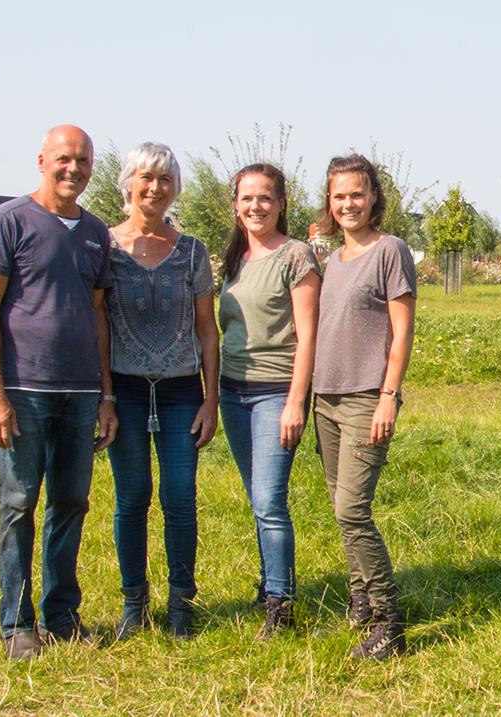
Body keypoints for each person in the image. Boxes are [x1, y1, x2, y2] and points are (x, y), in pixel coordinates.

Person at [0, 125, 118, 661]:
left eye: (82, 160)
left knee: (71, 503)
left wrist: (105, 396)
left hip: (80, 393)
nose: (73, 168)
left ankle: (61, 615)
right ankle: (16, 624)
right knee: (17, 503)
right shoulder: (7, 221)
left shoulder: (96, 233)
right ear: (41, 161)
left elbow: (99, 314)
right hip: (22, 391)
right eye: (63, 158)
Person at [103, 142, 219, 640]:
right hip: (124, 394)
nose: (155, 188)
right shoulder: (102, 246)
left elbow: (207, 329)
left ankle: (181, 605)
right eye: (146, 178)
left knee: (180, 498)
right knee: (131, 498)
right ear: (128, 182)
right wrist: (104, 397)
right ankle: (134, 603)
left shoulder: (192, 251)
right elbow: (96, 324)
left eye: (165, 180)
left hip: (180, 396)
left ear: (175, 188)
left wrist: (210, 399)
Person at [312, 154, 416, 660]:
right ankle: (361, 599)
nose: (348, 203)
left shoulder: (390, 251)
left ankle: (390, 622)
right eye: (339, 196)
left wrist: (388, 397)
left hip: (364, 398)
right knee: (340, 506)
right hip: (323, 398)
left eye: (357, 193)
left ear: (373, 196)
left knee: (352, 509)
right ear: (329, 202)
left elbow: (402, 333)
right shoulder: (332, 259)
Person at [217, 163, 321, 640]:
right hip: (232, 392)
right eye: (246, 198)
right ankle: (268, 586)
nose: (255, 206)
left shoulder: (296, 257)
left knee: (269, 500)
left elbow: (308, 336)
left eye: (265, 198)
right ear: (235, 206)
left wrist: (296, 402)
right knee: (255, 498)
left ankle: (281, 605)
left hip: (275, 392)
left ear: (281, 204)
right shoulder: (235, 257)